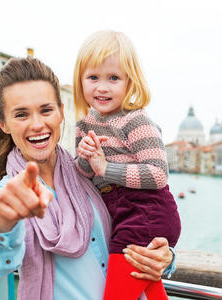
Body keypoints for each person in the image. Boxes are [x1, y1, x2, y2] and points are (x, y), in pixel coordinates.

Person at [0, 57, 176, 300]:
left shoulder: (92, 173)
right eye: (22, 115)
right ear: (3, 123)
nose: (37, 124)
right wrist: (4, 221)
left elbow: (136, 223)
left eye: (46, 110)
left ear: (60, 113)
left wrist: (165, 257)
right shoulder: (0, 194)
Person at [73, 31, 181, 300]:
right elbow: (85, 174)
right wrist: (85, 159)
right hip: (122, 213)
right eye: (93, 77)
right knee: (147, 287)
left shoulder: (136, 121)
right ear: (80, 81)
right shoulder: (85, 125)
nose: (102, 87)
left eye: (113, 78)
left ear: (129, 83)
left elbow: (158, 174)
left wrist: (105, 168)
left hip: (146, 210)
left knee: (118, 295)